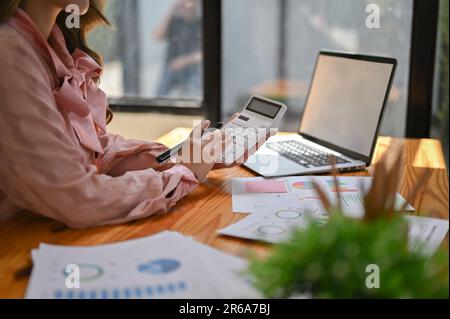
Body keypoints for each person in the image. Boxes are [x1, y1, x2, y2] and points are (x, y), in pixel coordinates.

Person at [0, 0, 258, 229]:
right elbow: (77, 197)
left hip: (37, 231)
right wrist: (182, 173)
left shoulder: (50, 44)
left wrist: (185, 156)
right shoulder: (9, 51)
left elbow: (97, 152)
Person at [154, 0, 202, 96]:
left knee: (195, 95)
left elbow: (204, 54)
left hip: (191, 70)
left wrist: (183, 61)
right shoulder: (175, 21)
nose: (188, 5)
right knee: (159, 97)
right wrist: (170, 11)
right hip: (171, 68)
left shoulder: (199, 24)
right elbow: (157, 36)